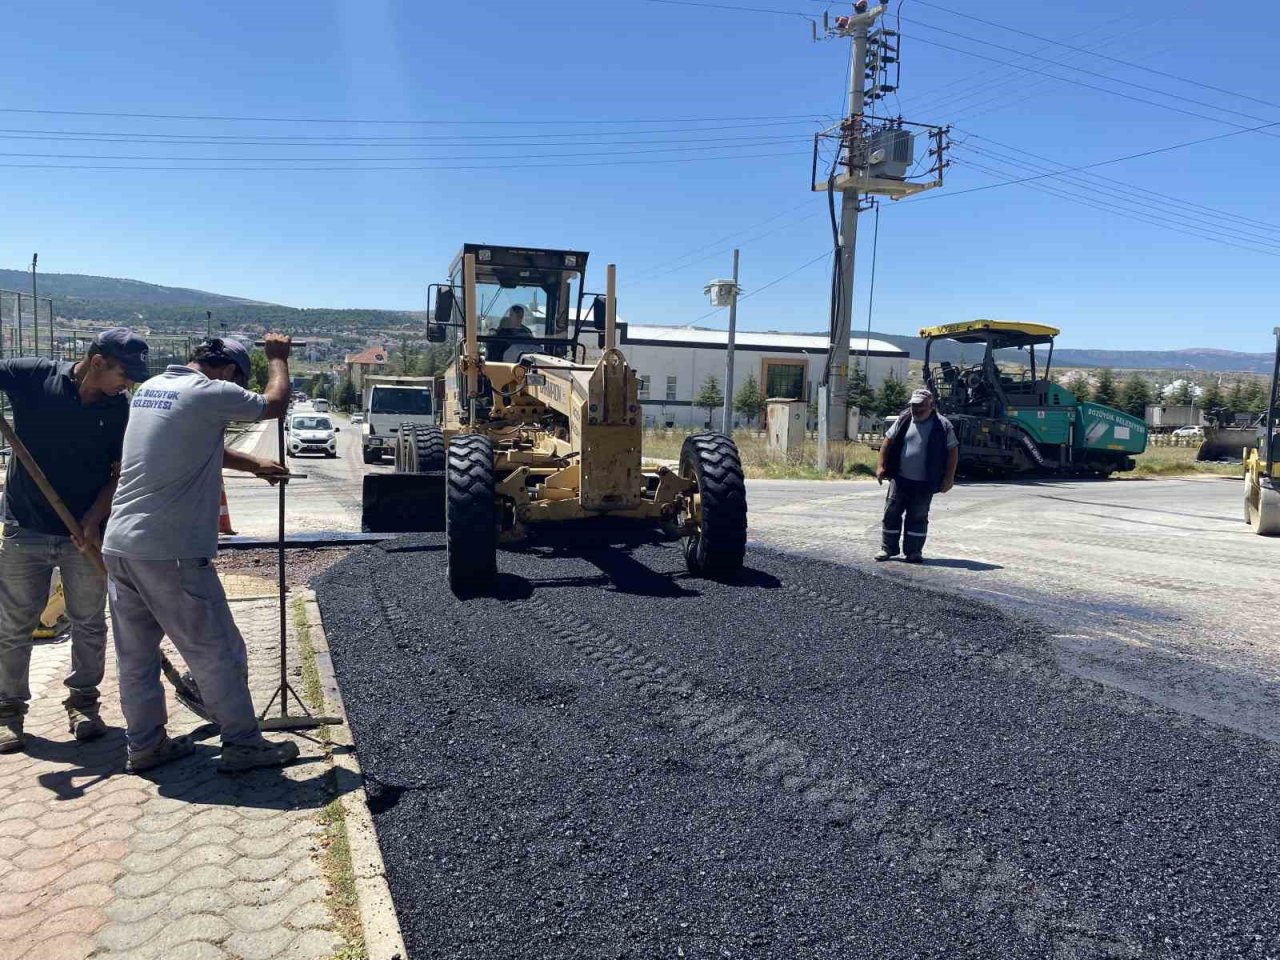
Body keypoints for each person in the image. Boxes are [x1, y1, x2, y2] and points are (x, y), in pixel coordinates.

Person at [102, 335, 297, 774]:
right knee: (218, 650)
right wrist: (278, 359)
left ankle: (146, 747)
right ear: (228, 372)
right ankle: (244, 745)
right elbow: (274, 404)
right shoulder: (210, 391)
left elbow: (194, 444)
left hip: (121, 546)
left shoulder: (150, 389)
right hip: (170, 551)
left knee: (136, 658)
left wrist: (252, 464)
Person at [0, 329, 150, 753]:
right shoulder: (34, 376)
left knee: (89, 623)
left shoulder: (119, 409)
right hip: (25, 527)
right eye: (125, 372)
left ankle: (83, 704)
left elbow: (117, 474)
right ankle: (8, 712)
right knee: (14, 625)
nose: (130, 383)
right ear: (97, 361)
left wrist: (93, 518)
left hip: (84, 535)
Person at [875, 388, 959, 563]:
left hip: (924, 482)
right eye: (914, 405)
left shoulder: (942, 426)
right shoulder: (904, 419)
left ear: (931, 405)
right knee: (891, 514)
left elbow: (952, 451)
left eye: (920, 406)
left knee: (918, 517)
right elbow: (887, 442)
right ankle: (887, 548)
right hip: (900, 479)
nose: (916, 409)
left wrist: (949, 478)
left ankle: (914, 552)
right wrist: (881, 466)